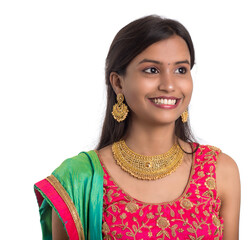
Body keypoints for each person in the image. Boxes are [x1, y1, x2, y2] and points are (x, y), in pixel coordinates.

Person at [34, 15, 240, 240]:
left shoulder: (219, 171)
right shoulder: (79, 179)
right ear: (118, 83)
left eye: (181, 70)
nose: (169, 85)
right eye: (152, 70)